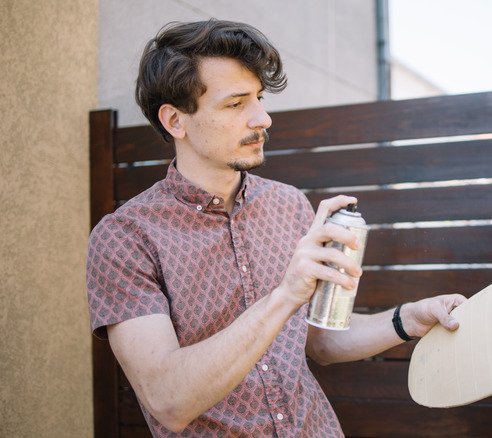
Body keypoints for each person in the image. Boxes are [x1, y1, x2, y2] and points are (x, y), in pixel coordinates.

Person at [86, 19, 465, 437]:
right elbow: (168, 402)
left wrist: (407, 319)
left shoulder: (288, 204)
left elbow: (321, 342)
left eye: (260, 98)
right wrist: (285, 295)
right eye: (236, 104)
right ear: (176, 121)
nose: (263, 118)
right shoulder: (125, 238)